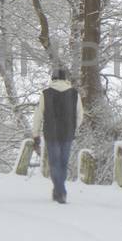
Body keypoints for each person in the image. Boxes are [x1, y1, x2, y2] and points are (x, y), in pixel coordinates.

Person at [32, 68, 82, 203]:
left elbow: (38, 115)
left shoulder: (46, 94)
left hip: (51, 133)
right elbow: (80, 115)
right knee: (63, 163)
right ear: (65, 78)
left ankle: (59, 191)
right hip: (67, 133)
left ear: (53, 78)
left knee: (54, 163)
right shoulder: (74, 94)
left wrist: (35, 134)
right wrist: (73, 128)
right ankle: (60, 191)